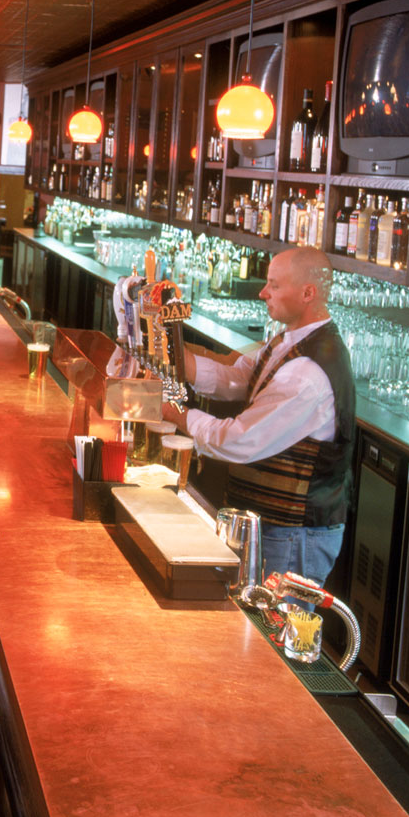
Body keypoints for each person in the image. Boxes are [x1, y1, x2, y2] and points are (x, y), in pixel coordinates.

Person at [162, 247, 354, 585]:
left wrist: (173, 413)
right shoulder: (290, 341)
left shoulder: (309, 372)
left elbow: (239, 440)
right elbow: (237, 378)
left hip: (293, 535)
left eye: (274, 286)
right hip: (271, 525)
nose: (262, 293)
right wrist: (170, 356)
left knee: (272, 634)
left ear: (308, 293)